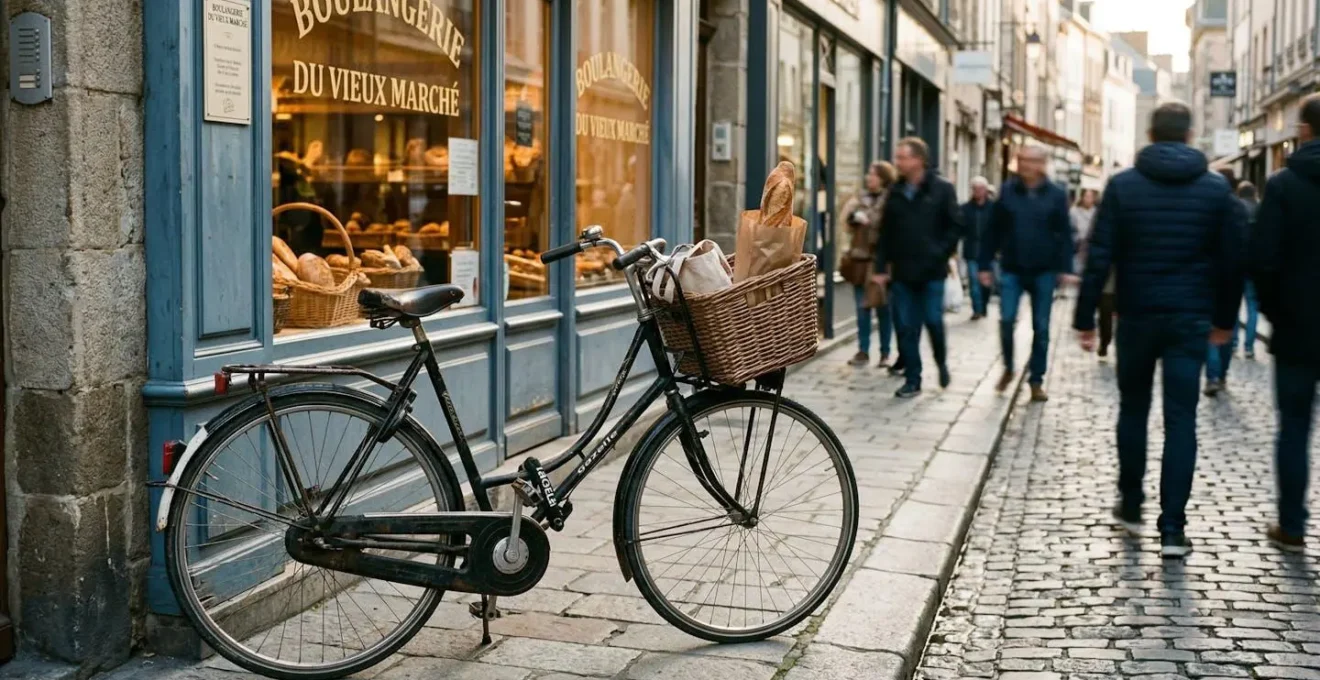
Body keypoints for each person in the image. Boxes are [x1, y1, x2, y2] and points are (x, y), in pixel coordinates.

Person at [1074, 103, 1246, 558]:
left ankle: (1131, 504)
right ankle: (1172, 530)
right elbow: (1232, 261)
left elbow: (1099, 254)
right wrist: (1224, 320)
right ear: (1189, 135)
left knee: (1133, 409)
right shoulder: (1215, 190)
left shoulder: (1123, 186)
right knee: (1181, 419)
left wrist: (1085, 317)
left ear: (1150, 134)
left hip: (1137, 314)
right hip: (1189, 318)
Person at [1251, 93, 1320, 552]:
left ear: (1304, 130)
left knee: (1293, 427)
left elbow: (1263, 259)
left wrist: (1277, 313)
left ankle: (1292, 525)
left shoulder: (1282, 185)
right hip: (1295, 322)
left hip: (1297, 326)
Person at [978, 147, 1076, 403]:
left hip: (1044, 270)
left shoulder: (1056, 194)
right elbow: (992, 230)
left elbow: (1064, 234)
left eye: (1031, 160)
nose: (1025, 165)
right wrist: (984, 265)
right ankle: (1009, 367)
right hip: (1012, 267)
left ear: (1043, 163)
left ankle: (1036, 380)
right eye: (1022, 160)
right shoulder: (1008, 191)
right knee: (1006, 320)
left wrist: (1066, 268)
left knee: (1041, 327)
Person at [873, 137, 962, 398]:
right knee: (906, 326)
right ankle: (913, 379)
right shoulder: (895, 191)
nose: (897, 162)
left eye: (902, 157)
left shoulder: (942, 189)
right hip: (902, 272)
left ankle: (941, 362)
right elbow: (885, 233)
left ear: (918, 160)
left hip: (932, 272)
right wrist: (880, 268)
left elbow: (956, 226)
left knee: (933, 321)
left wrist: (939, 252)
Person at [1204, 181, 1264, 395]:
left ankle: (1212, 376)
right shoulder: (1252, 210)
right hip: (1241, 273)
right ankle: (1241, 352)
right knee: (1241, 313)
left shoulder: (1208, 210)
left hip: (1212, 276)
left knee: (1212, 326)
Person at [841, 161, 898, 367]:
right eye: (868, 174)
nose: (869, 178)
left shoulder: (891, 199)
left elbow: (893, 228)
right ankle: (863, 351)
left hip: (881, 263)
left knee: (883, 308)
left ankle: (885, 353)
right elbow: (846, 224)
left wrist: (869, 221)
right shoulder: (859, 198)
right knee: (861, 308)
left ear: (883, 178)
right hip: (860, 260)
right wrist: (853, 217)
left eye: (873, 174)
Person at [960, 177, 994, 320]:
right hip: (972, 251)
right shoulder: (965, 208)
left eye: (980, 189)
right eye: (975, 189)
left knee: (986, 283)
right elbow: (960, 228)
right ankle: (977, 309)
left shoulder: (994, 208)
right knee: (974, 282)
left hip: (989, 251)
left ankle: (984, 305)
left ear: (985, 190)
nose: (978, 191)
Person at [1071, 189, 1099, 275]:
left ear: (1094, 198)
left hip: (1091, 246)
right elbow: (1070, 230)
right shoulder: (1074, 211)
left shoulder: (1097, 213)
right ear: (1082, 197)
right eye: (1086, 196)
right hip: (1077, 246)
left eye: (1090, 197)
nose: (1088, 199)